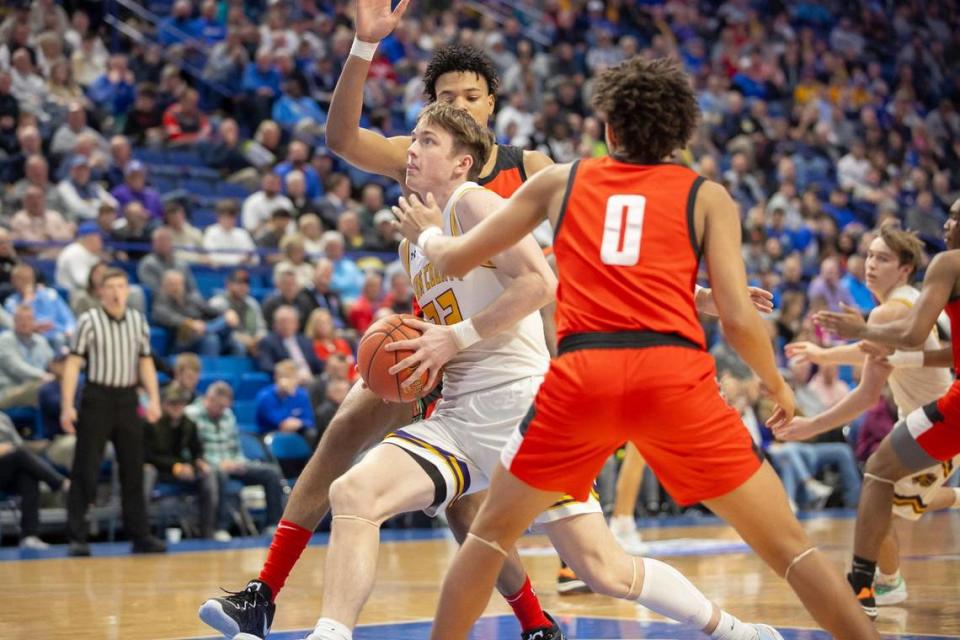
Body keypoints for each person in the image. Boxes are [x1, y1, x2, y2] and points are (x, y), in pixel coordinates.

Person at [393, 56, 876, 640]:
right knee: (794, 552)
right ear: (680, 135)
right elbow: (741, 320)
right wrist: (775, 385)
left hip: (583, 376)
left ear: (608, 130)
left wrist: (426, 234)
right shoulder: (707, 196)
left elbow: (457, 257)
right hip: (673, 373)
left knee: (487, 541)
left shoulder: (559, 180)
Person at [301, 100, 783, 640]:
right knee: (354, 495)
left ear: (462, 163)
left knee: (602, 569)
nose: (411, 149)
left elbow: (541, 282)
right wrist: (420, 358)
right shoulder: (412, 242)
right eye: (412, 138)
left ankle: (732, 630)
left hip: (522, 410)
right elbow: (563, 265)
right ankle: (331, 634)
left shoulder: (474, 203)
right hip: (459, 414)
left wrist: (452, 338)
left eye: (428, 141)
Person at [779, 225, 958, 610]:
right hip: (920, 420)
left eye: (883, 258)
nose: (871, 265)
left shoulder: (891, 309)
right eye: (870, 256)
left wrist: (810, 426)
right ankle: (890, 577)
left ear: (906, 268)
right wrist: (824, 355)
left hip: (939, 422)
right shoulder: (905, 302)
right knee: (896, 497)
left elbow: (866, 394)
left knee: (880, 493)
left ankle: (886, 582)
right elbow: (873, 351)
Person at [62, 268, 166, 556]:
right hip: (97, 397)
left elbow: (145, 362)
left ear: (127, 289)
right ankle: (77, 536)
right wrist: (67, 405)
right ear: (101, 291)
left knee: (133, 468)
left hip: (127, 397)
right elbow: (73, 364)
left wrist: (154, 399)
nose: (117, 291)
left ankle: (139, 534)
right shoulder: (89, 320)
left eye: (122, 285)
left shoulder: (137, 321)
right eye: (111, 286)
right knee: (86, 467)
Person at [187, 382, 285, 542]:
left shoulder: (228, 415)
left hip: (231, 463)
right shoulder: (192, 415)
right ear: (209, 399)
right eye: (218, 406)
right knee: (219, 473)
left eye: (225, 407)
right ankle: (220, 527)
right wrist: (219, 464)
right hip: (208, 466)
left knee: (271, 473)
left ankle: (273, 525)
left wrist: (238, 462)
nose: (221, 411)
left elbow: (235, 446)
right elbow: (192, 450)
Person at [144, 383, 217, 539]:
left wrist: (197, 463)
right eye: (173, 403)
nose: (177, 407)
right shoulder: (152, 423)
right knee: (147, 472)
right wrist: (175, 467)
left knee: (208, 475)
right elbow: (148, 455)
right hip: (159, 469)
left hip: (182, 469)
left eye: (180, 403)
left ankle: (207, 530)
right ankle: (142, 531)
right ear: (164, 404)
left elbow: (197, 450)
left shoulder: (188, 424)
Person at [0, 412, 68, 549]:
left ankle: (29, 536)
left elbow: (19, 445)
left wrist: (41, 445)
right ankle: (61, 484)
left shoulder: (3, 418)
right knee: (20, 455)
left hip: (5, 470)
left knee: (28, 476)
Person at [0, 304, 55, 409]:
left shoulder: (41, 341)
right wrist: (43, 376)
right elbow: (16, 367)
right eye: (20, 319)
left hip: (34, 389)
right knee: (42, 389)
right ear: (14, 321)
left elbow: (52, 363)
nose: (24, 323)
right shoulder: (5, 340)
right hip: (9, 391)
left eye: (29, 319)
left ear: (34, 321)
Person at [255, 360, 318, 446]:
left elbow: (309, 420)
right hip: (272, 432)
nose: (287, 381)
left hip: (297, 430)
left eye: (291, 377)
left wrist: (300, 423)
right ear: (276, 377)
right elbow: (276, 421)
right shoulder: (265, 396)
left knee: (313, 433)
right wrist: (284, 396)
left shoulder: (301, 394)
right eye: (284, 377)